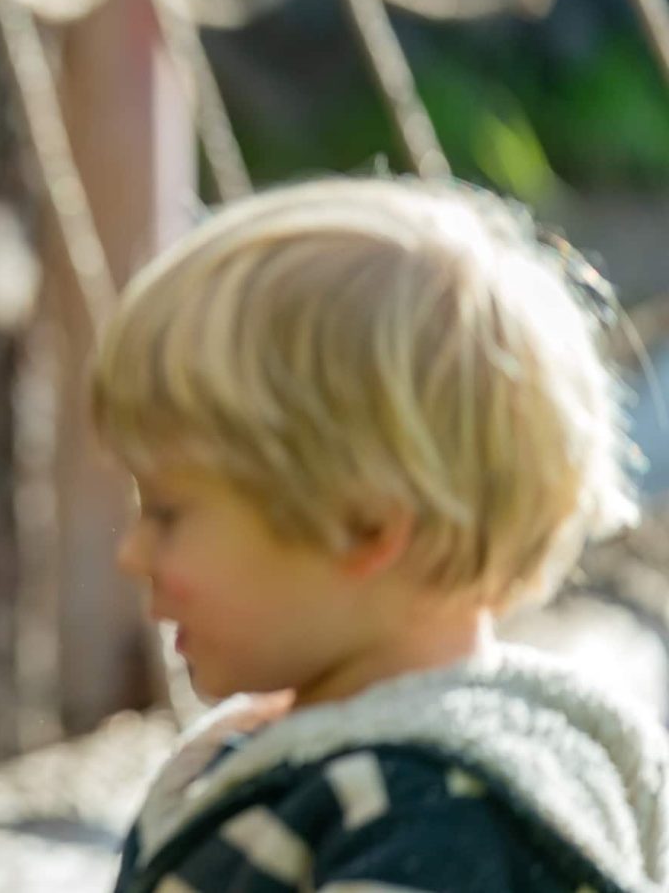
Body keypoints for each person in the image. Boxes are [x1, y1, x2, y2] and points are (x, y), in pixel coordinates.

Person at [92, 177, 669, 892]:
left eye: (169, 514)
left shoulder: (437, 822)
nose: (132, 552)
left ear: (366, 526)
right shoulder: (303, 762)